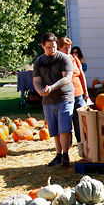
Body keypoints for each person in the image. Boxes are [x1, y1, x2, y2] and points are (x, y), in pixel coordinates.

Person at [32, 32, 76, 167]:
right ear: (43, 46)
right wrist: (40, 91)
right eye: (49, 47)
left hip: (64, 97)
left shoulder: (63, 58)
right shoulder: (39, 62)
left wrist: (52, 87)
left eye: (54, 47)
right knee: (54, 129)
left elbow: (67, 78)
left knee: (64, 128)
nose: (52, 50)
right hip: (48, 100)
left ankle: (66, 155)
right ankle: (58, 155)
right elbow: (36, 81)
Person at [70, 45, 90, 144]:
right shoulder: (67, 59)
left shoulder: (79, 60)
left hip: (78, 91)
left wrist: (85, 92)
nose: (75, 53)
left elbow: (83, 72)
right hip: (68, 93)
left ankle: (81, 140)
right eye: (73, 52)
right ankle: (68, 142)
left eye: (76, 52)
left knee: (78, 119)